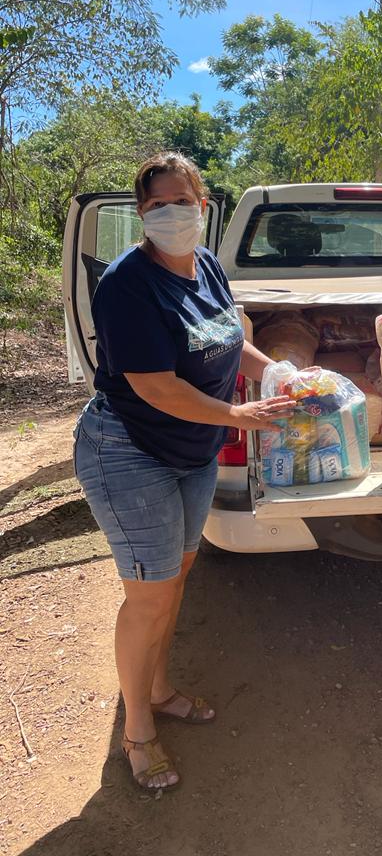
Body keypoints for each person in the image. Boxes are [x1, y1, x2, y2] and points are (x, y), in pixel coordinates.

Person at [73, 152, 297, 791]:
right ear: (141, 214)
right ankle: (138, 730)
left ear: (203, 204)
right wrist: (238, 415)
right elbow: (154, 386)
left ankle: (160, 688)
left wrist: (277, 373)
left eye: (182, 201)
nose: (171, 214)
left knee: (175, 581)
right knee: (149, 595)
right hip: (128, 449)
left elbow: (231, 338)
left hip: (193, 451)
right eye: (156, 205)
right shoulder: (127, 283)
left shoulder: (207, 265)